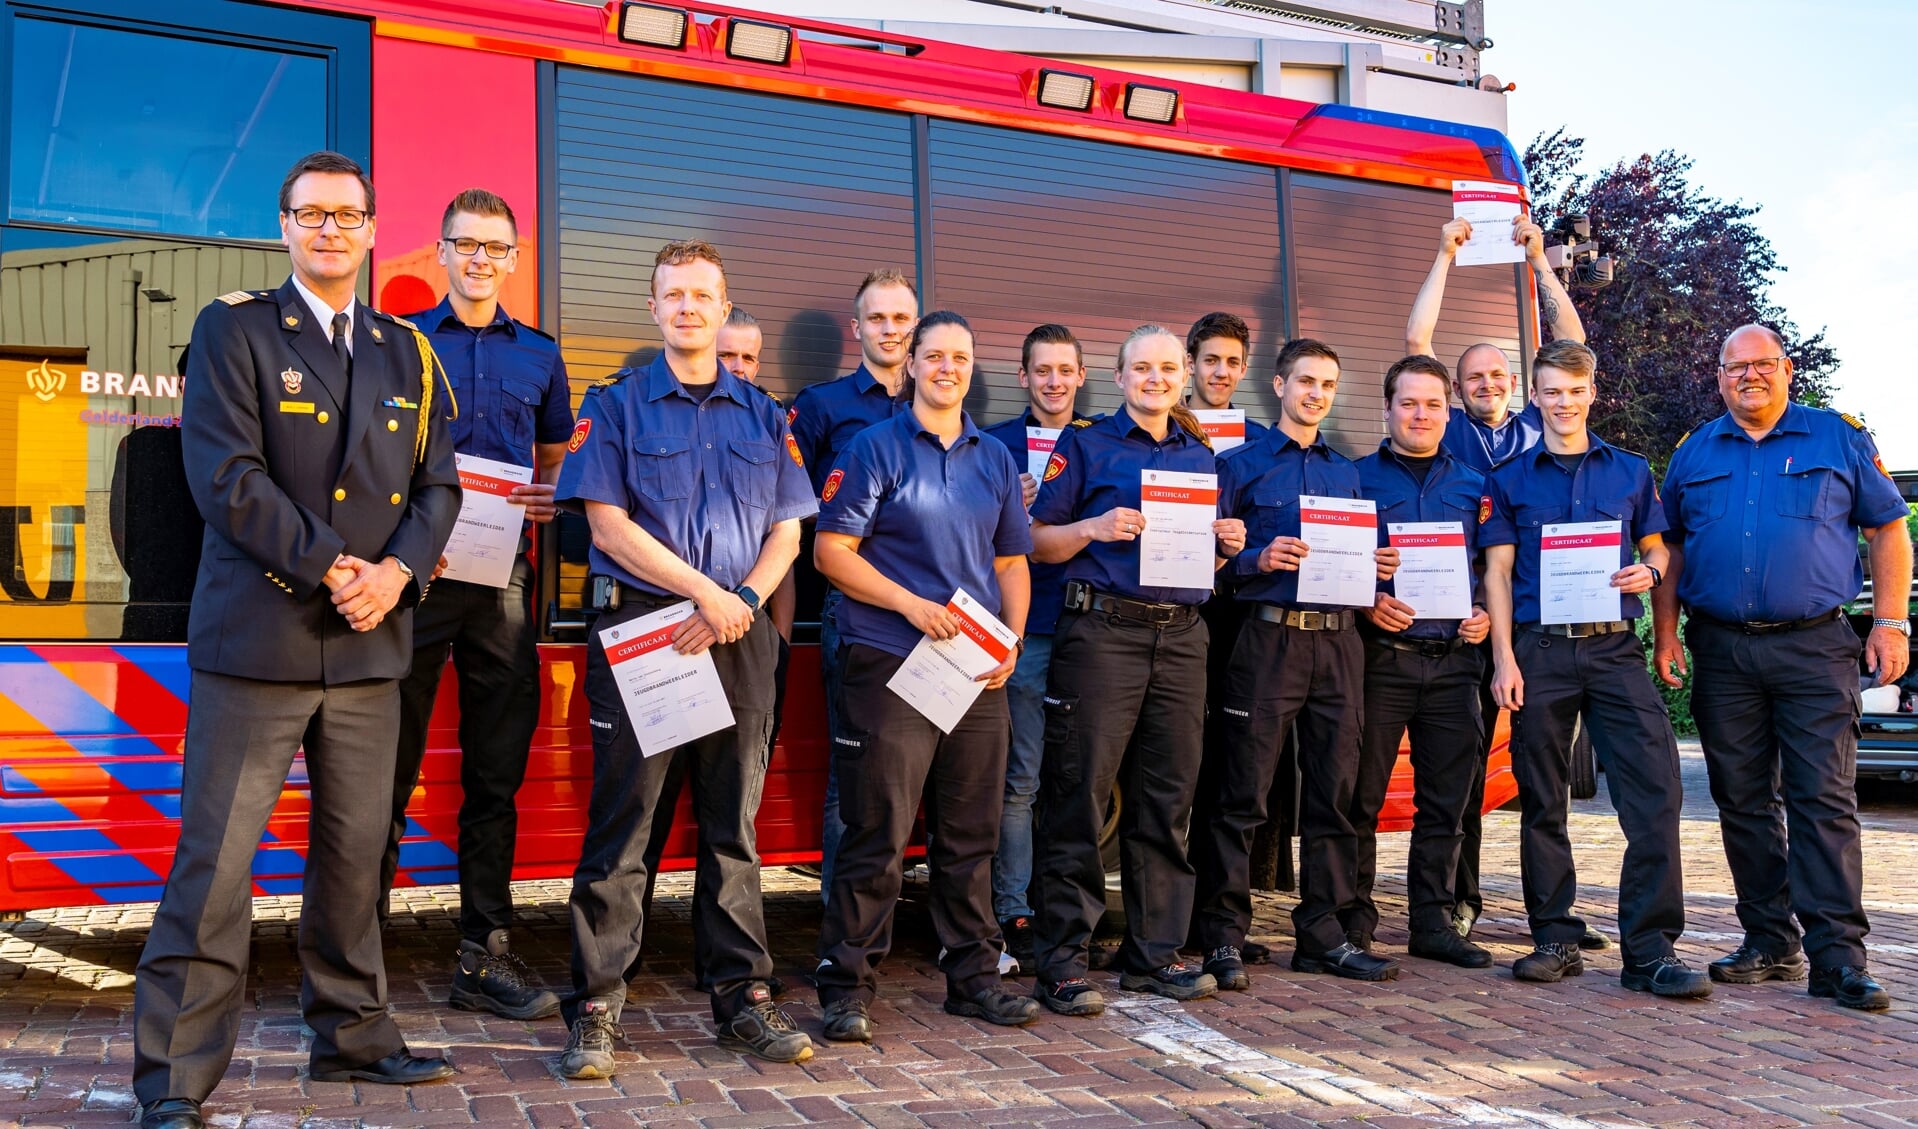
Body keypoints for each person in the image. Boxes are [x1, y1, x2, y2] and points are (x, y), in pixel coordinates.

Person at [132, 151, 461, 1129]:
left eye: (347, 215)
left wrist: (397, 573)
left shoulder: (409, 349)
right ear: (283, 226)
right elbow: (226, 479)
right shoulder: (232, 331)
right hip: (259, 643)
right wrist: (337, 568)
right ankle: (175, 1081)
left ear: (369, 229)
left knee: (356, 858)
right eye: (310, 214)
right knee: (216, 866)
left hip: (368, 650)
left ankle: (352, 1034)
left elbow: (439, 483)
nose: (329, 229)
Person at [553, 240, 816, 1076]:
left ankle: (744, 1000)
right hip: (648, 633)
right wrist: (709, 594)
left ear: (723, 304)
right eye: (674, 295)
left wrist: (736, 605)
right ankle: (595, 1007)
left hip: (737, 635)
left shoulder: (766, 416)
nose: (689, 308)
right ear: (654, 308)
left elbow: (788, 527)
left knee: (733, 829)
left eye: (703, 295)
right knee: (624, 826)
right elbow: (605, 524)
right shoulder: (618, 403)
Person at [1653, 324, 1911, 1011]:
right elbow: (1669, 548)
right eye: (1735, 368)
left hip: (1815, 645)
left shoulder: (1838, 438)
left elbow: (1889, 527)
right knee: (1741, 798)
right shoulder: (1695, 452)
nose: (1749, 377)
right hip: (1723, 648)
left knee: (1821, 797)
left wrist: (1889, 622)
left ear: (1786, 369)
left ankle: (1838, 959)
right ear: (1719, 377)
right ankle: (1769, 939)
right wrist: (1667, 634)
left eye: (1762, 364)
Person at [812, 310, 1041, 1040]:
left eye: (962, 357)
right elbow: (832, 552)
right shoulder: (872, 446)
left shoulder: (993, 458)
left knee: (970, 830)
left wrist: (1011, 639)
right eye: (935, 355)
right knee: (875, 829)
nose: (949, 367)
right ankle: (845, 984)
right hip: (888, 656)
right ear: (910, 363)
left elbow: (1012, 562)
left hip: (972, 668)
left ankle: (973, 976)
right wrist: (912, 605)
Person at [379, 188, 571, 1021]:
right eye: (467, 244)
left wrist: (548, 496)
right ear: (443, 251)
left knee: (496, 776)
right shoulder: (404, 342)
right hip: (414, 579)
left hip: (505, 586)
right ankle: (355, 958)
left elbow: (556, 457)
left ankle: (483, 955)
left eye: (497, 247)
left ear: (514, 258)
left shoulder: (542, 354)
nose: (482, 258)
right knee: (382, 768)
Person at [1028, 324, 1246, 1016]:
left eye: (1167, 368)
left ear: (1183, 377)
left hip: (1182, 636)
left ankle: (1154, 955)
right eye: (1141, 368)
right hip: (1102, 633)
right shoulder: (1085, 445)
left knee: (1168, 797)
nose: (1155, 379)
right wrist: (1093, 528)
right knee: (1080, 795)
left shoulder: (1203, 456)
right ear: (1118, 378)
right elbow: (1034, 539)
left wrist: (1226, 547)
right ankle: (1061, 959)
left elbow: (1201, 567)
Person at [1480, 339, 1707, 998]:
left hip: (1614, 649)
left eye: (1575, 391)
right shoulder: (1509, 479)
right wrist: (1503, 658)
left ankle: (1650, 948)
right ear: (1536, 395)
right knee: (1542, 798)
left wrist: (1652, 568)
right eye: (1552, 391)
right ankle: (1553, 935)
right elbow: (1495, 572)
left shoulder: (1631, 471)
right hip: (1541, 651)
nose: (1564, 402)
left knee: (1655, 791)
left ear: (1592, 393)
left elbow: (1660, 547)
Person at [1406, 214, 1602, 948]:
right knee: (1461, 776)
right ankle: (1460, 905)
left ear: (1519, 384)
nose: (1488, 385)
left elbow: (1574, 353)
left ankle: (1556, 913)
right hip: (1465, 619)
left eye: (1499, 375)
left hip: (1538, 619)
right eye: (1474, 378)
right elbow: (1416, 344)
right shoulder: (1451, 430)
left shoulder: (1537, 427)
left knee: (1542, 779)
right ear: (1456, 390)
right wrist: (1445, 251)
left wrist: (1541, 264)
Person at [1193, 339, 1399, 987]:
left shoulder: (1348, 475)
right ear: (1279, 384)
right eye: (1305, 380)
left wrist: (1378, 571)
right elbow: (1202, 563)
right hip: (1267, 639)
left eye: (1328, 384)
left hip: (1340, 643)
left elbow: (1363, 561)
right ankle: (1222, 935)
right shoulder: (1240, 466)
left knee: (1335, 794)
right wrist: (1256, 558)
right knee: (1242, 791)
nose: (1316, 392)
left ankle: (1323, 933)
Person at [1349, 355, 1494, 969]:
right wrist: (1367, 601)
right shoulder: (1354, 479)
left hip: (1455, 662)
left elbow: (1493, 568)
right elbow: (1335, 563)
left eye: (1433, 404)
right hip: (1381, 660)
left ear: (1448, 410)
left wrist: (1485, 609)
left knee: (1448, 801)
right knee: (1360, 796)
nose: (1421, 414)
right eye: (1408, 403)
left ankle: (1432, 922)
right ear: (1386, 409)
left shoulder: (1474, 486)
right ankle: (1351, 920)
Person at [788, 270, 917, 904]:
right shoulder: (821, 407)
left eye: (902, 320)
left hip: (933, 618)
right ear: (857, 327)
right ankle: (843, 931)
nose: (891, 330)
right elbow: (787, 504)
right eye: (879, 319)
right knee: (853, 768)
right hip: (854, 612)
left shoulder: (942, 406)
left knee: (936, 773)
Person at [981, 323, 1090, 967]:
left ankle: (1068, 902)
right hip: (1023, 630)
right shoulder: (993, 446)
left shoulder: (1101, 443)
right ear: (1023, 377)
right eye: (1041, 370)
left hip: (1094, 631)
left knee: (1079, 779)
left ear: (1081, 376)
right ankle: (1014, 907)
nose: (1054, 382)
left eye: (1065, 370)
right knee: (1019, 777)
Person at [1184, 311, 1270, 447]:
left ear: (1242, 370)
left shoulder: (1261, 441)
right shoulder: (1160, 429)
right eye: (1211, 360)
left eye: (1232, 362)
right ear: (1191, 364)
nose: (1222, 373)